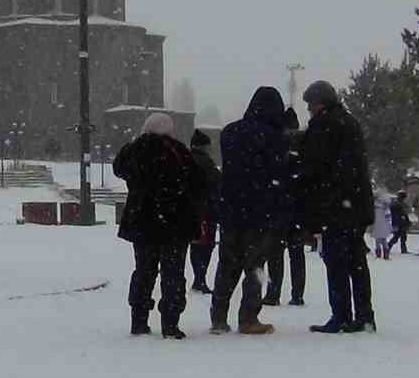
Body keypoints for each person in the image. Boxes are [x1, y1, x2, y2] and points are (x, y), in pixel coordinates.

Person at [113, 113, 203, 338]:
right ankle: (170, 324)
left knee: (144, 271)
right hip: (174, 223)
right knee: (173, 274)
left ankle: (139, 320)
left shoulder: (134, 151)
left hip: (142, 223)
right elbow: (198, 181)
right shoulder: (178, 151)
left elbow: (118, 167)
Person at [297, 80, 375, 333]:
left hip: (336, 207)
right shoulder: (349, 122)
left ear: (319, 104)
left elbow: (315, 167)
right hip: (356, 205)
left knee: (336, 262)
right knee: (357, 263)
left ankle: (340, 315)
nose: (309, 110)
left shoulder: (325, 126)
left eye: (310, 106)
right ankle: (364, 316)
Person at [209, 87, 288, 335]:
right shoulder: (274, 136)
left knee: (227, 265)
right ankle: (248, 318)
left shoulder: (229, 132)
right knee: (254, 266)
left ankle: (218, 316)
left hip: (231, 208)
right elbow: (277, 174)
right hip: (259, 210)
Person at [264, 107, 307, 307]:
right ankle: (297, 294)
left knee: (275, 254)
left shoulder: (276, 145)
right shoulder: (305, 147)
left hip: (278, 207)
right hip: (297, 209)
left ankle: (273, 293)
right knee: (296, 254)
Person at [186, 129, 220, 295]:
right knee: (206, 246)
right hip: (206, 211)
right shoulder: (206, 163)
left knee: (195, 245)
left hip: (190, 210)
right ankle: (200, 279)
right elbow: (217, 184)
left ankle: (198, 278)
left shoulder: (185, 159)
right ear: (204, 146)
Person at [372, 192, 394, 259]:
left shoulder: (374, 207)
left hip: (376, 225)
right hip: (384, 225)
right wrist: (390, 225)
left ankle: (378, 254)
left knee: (377, 240)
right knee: (384, 240)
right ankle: (386, 254)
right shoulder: (386, 208)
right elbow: (388, 217)